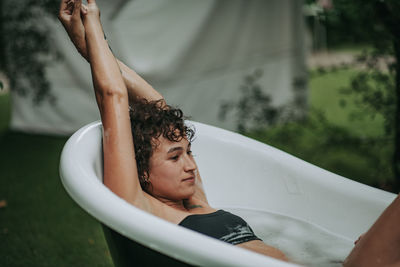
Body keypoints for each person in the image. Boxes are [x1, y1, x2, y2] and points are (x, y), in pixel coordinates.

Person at [58, 1, 400, 266]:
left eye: (188, 152)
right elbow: (113, 95)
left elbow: (155, 103)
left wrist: (89, 45)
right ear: (141, 170)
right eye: (175, 157)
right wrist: (91, 19)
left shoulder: (196, 201)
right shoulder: (141, 207)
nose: (191, 165)